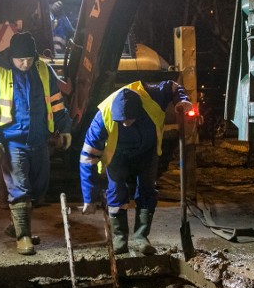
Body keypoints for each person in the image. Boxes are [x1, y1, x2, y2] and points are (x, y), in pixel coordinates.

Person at [0, 31, 73, 255]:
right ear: (11, 56)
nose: (25, 63)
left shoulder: (43, 70)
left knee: (39, 187)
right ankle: (23, 237)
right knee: (19, 188)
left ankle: (16, 225)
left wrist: (64, 128)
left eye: (29, 59)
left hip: (39, 140)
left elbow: (56, 102)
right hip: (13, 141)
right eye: (21, 59)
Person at [79, 80, 195, 255]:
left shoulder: (153, 96)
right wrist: (89, 197)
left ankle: (141, 237)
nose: (125, 124)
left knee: (147, 188)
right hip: (117, 154)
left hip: (147, 151)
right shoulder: (102, 118)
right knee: (116, 190)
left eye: (129, 120)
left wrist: (181, 100)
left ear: (139, 112)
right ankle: (120, 239)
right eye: (121, 121)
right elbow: (87, 159)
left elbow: (173, 86)